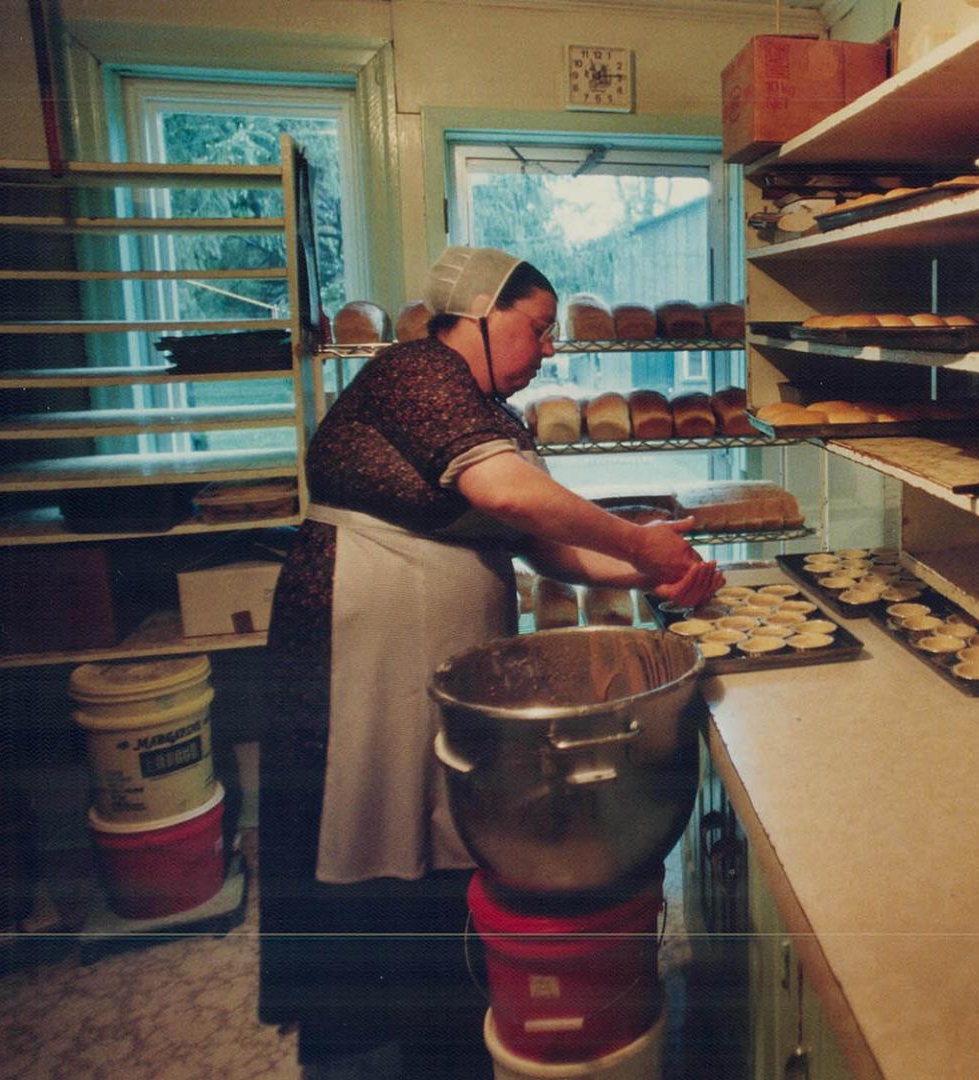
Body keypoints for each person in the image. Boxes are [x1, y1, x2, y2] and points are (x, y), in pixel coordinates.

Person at [258, 246, 721, 1077]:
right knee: (362, 821)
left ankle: (436, 1033)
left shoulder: (488, 417)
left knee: (431, 832)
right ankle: (361, 1049)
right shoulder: (416, 370)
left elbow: (551, 549)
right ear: (475, 313)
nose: (548, 350)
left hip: (424, 654)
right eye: (537, 330)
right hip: (357, 651)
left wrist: (659, 568)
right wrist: (635, 538)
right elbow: (511, 498)